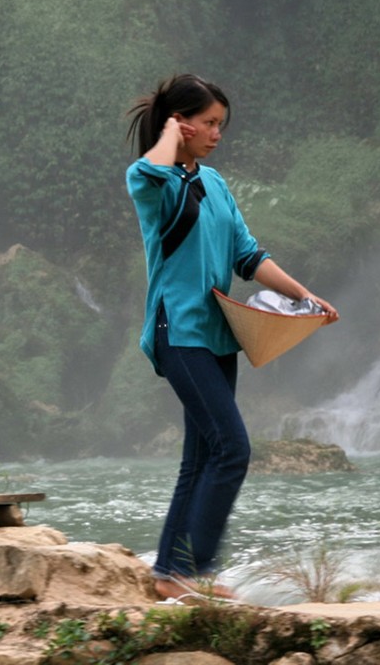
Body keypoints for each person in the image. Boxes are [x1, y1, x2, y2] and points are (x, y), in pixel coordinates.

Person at [125, 74, 339, 601]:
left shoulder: (215, 184)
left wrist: (304, 296)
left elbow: (249, 256)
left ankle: (168, 576)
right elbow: (153, 165)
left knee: (200, 458)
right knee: (232, 449)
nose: (218, 133)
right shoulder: (152, 181)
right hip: (179, 331)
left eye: (222, 124)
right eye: (210, 122)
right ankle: (190, 571)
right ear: (181, 123)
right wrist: (169, 137)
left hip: (219, 336)